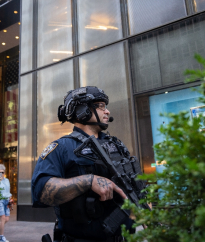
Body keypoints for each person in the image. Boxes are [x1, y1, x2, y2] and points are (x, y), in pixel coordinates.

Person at [32, 86, 144, 242]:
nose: (107, 111)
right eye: (101, 106)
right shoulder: (62, 147)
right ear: (82, 110)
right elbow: (41, 192)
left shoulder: (116, 145)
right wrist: (88, 181)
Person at [0, 164, 12, 242]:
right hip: (0, 200)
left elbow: (8, 191)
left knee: (6, 219)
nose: (1, 174)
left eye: (2, 172)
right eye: (0, 172)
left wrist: (10, 199)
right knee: (2, 218)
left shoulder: (7, 180)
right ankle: (1, 237)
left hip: (7, 201)